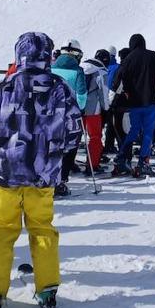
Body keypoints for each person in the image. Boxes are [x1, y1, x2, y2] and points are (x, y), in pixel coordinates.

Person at [0, 32, 82, 308]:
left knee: (0, 232)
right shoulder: (60, 88)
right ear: (48, 55)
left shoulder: (4, 86)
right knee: (43, 230)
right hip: (43, 175)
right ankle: (47, 290)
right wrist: (54, 154)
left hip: (6, 175)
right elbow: (74, 132)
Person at [110, 34, 155, 177]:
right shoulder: (154, 56)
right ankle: (143, 162)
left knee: (133, 131)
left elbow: (118, 81)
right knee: (148, 133)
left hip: (134, 102)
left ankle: (121, 158)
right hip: (150, 101)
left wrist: (127, 92)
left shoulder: (129, 58)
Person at [50, 42, 86, 196]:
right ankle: (62, 179)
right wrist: (80, 109)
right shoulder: (77, 71)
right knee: (71, 144)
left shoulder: (50, 68)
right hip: (70, 114)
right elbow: (82, 96)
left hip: (50, 113)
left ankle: (50, 176)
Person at [80, 50, 110, 174]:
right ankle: (92, 165)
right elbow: (103, 93)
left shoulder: (80, 67)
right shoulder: (100, 71)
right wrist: (106, 108)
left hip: (77, 107)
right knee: (95, 137)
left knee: (75, 137)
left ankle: (68, 163)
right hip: (93, 109)